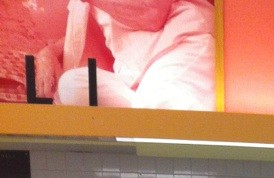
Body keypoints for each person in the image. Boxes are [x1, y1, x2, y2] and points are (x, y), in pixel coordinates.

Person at [34, 0, 216, 110]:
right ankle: (142, 114)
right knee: (70, 87)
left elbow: (152, 13)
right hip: (135, 76)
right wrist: (49, 53)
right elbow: (86, 34)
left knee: (160, 112)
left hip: (181, 46)